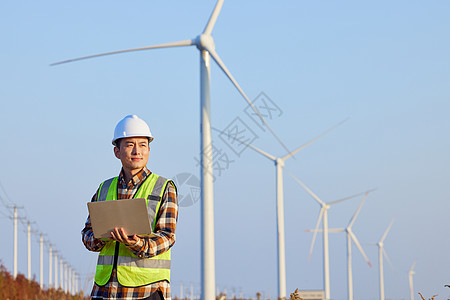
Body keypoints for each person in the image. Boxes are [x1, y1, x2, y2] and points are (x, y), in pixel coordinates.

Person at [82, 115, 178, 300]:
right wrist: (102, 237)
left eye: (142, 145)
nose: (137, 151)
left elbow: (167, 237)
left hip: (146, 291)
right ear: (117, 151)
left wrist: (136, 243)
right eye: (129, 145)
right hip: (105, 290)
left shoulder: (164, 187)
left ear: (149, 149)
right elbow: (87, 234)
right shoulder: (104, 188)